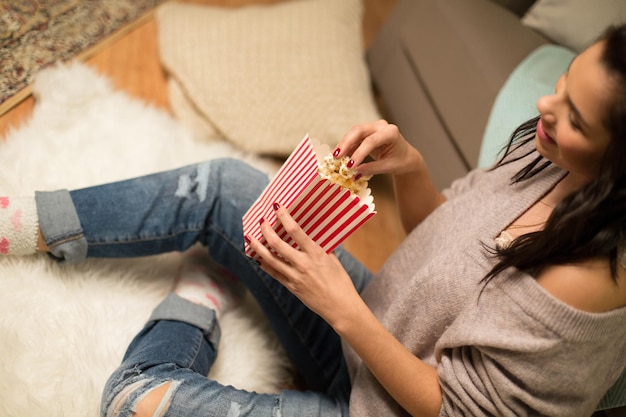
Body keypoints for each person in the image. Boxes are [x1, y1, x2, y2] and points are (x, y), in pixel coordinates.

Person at [2, 23, 626, 417]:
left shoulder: (586, 279)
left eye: (575, 117)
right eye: (563, 82)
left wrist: (341, 309)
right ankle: (24, 223)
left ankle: (201, 294)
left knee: (131, 400)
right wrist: (407, 167)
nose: (546, 106)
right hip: (369, 331)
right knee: (223, 185)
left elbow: (456, 408)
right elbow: (445, 232)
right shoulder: (548, 158)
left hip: (378, 395)